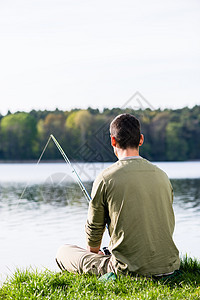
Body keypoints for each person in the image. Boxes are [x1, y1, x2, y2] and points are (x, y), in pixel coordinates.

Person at [56, 113, 180, 277]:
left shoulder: (106, 178)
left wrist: (95, 253)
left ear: (113, 141)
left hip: (128, 270)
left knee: (63, 252)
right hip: (169, 266)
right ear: (141, 139)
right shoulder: (162, 175)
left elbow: (94, 231)